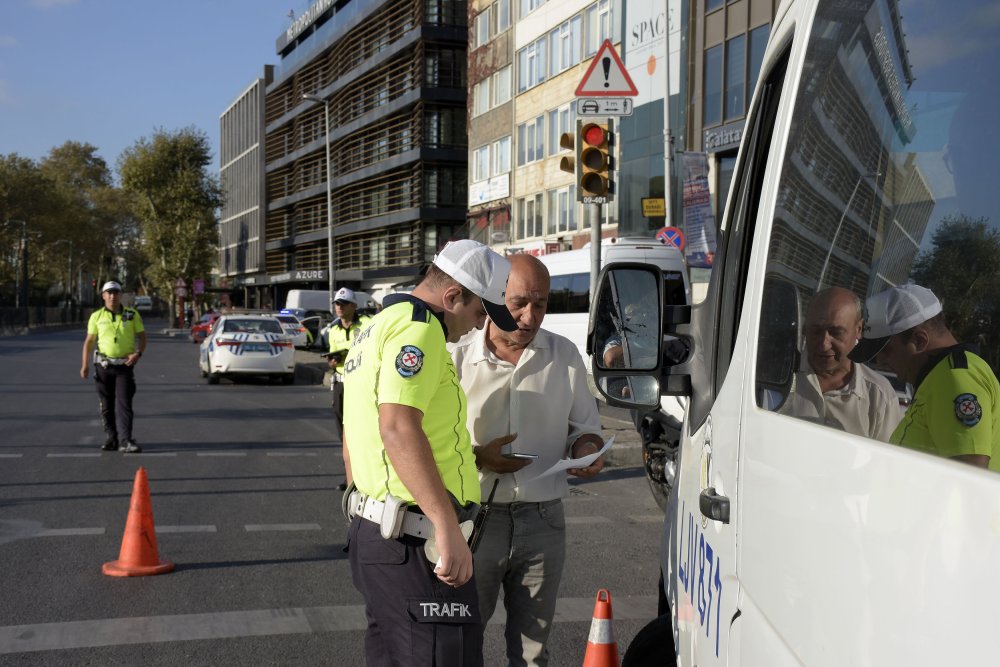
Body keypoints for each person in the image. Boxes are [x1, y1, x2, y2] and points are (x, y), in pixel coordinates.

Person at [341, 239, 518, 666]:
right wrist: (445, 526)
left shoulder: (375, 327)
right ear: (452, 297)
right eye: (480, 313)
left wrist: (364, 507)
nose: (479, 326)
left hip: (379, 533)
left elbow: (353, 432)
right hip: (415, 541)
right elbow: (398, 426)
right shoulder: (419, 331)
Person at [450, 254, 605, 667]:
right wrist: (478, 457)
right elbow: (430, 442)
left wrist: (586, 450)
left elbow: (585, 428)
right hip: (474, 518)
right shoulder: (455, 355)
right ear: (492, 298)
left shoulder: (564, 354)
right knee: (461, 642)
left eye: (540, 304)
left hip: (543, 520)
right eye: (519, 303)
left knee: (533, 652)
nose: (530, 316)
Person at [850, 283, 999, 470]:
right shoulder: (942, 375)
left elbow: (969, 475)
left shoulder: (953, 378)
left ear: (920, 340)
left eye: (886, 350)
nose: (880, 362)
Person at [780, 287, 902, 440]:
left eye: (836, 332)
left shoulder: (879, 396)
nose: (824, 345)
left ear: (859, 329)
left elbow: (886, 454)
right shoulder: (778, 375)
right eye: (816, 331)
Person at [80, 281, 147, 453]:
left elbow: (142, 337)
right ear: (103, 296)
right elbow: (89, 341)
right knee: (106, 404)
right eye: (109, 293)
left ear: (120, 295)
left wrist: (137, 353)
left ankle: (126, 440)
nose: (112, 296)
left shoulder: (131, 314)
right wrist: (84, 365)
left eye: (116, 293)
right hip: (103, 366)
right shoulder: (96, 316)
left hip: (124, 365)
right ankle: (112, 438)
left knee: (125, 403)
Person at [324, 286, 368, 491]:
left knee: (364, 429)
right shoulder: (333, 329)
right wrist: (332, 362)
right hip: (341, 382)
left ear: (354, 305)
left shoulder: (367, 323)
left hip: (361, 382)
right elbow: (332, 356)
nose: (339, 307)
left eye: (343, 304)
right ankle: (350, 476)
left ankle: (365, 475)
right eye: (336, 304)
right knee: (344, 432)